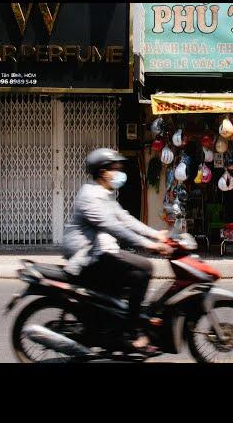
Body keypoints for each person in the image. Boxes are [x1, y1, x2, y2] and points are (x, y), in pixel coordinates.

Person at [63, 148, 172, 353]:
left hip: (102, 252)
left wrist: (155, 234)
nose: (120, 172)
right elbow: (112, 226)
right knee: (144, 268)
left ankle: (117, 327)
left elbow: (125, 219)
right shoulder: (90, 196)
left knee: (133, 273)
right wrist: (148, 244)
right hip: (86, 256)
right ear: (104, 172)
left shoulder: (105, 195)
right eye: (116, 168)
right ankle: (131, 332)